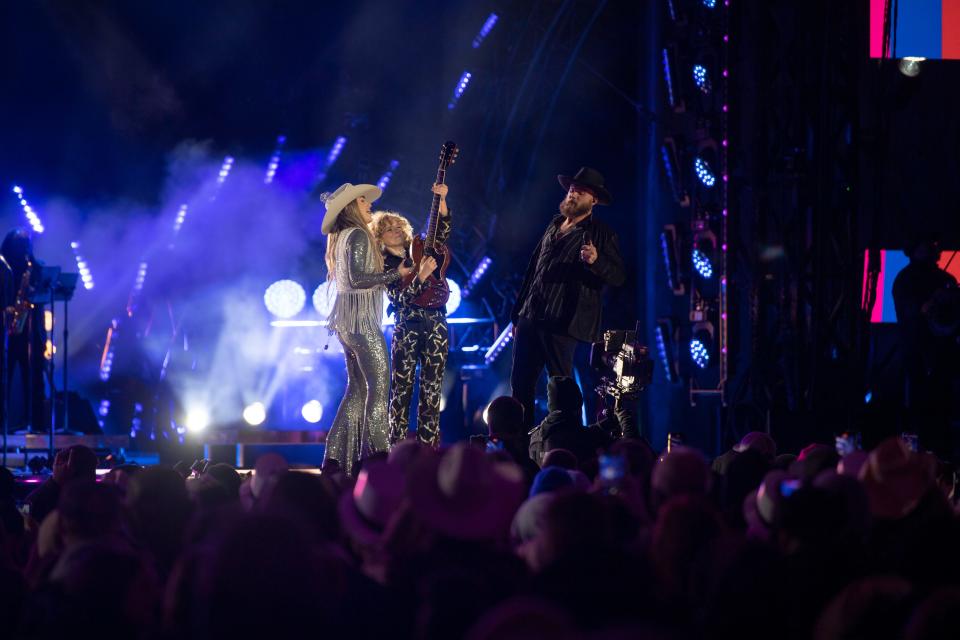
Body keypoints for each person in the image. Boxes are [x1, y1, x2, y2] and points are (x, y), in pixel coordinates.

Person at [510, 167, 625, 428]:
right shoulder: (554, 224)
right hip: (530, 317)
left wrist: (596, 261)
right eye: (572, 189)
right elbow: (533, 271)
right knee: (520, 387)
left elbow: (619, 276)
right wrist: (516, 316)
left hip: (562, 322)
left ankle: (562, 444)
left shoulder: (602, 234)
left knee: (560, 390)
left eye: (580, 191)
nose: (573, 193)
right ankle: (518, 447)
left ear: (593, 200)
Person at [321, 183, 414, 475]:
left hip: (347, 322)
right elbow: (358, 278)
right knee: (378, 387)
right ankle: (377, 455)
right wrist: (394, 273)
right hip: (360, 320)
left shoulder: (342, 236)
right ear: (351, 207)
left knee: (357, 389)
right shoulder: (358, 234)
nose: (368, 204)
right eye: (362, 201)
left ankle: (335, 459)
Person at [370, 184, 448, 447]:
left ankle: (428, 450)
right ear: (380, 236)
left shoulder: (420, 250)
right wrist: (421, 277)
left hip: (436, 322)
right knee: (401, 391)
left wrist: (442, 199)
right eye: (388, 228)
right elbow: (399, 300)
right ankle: (397, 450)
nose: (395, 231)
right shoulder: (384, 265)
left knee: (432, 390)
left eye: (398, 227)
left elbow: (442, 233)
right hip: (407, 326)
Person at [892, 233, 958, 460]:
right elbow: (910, 312)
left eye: (934, 245)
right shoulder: (905, 279)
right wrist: (932, 302)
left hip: (943, 351)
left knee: (943, 403)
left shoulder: (945, 278)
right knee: (918, 403)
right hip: (916, 350)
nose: (933, 249)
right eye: (927, 245)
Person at [1, 228, 46, 433]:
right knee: (4, 379)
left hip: (31, 333)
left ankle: (37, 425)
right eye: (21, 244)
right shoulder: (3, 267)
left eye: (27, 245)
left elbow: (43, 294)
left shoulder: (35, 268)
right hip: (7, 332)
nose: (25, 249)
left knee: (35, 380)